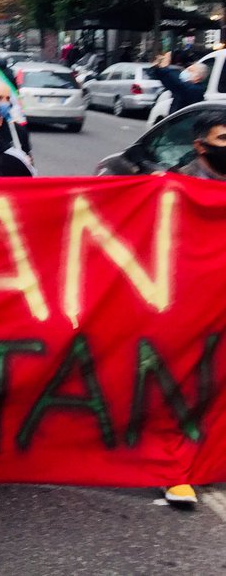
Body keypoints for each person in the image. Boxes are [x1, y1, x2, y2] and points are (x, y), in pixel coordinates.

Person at [162, 109, 226, 506]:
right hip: (190, 306)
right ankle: (174, 471)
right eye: (223, 140)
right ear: (200, 146)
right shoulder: (177, 187)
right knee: (184, 383)